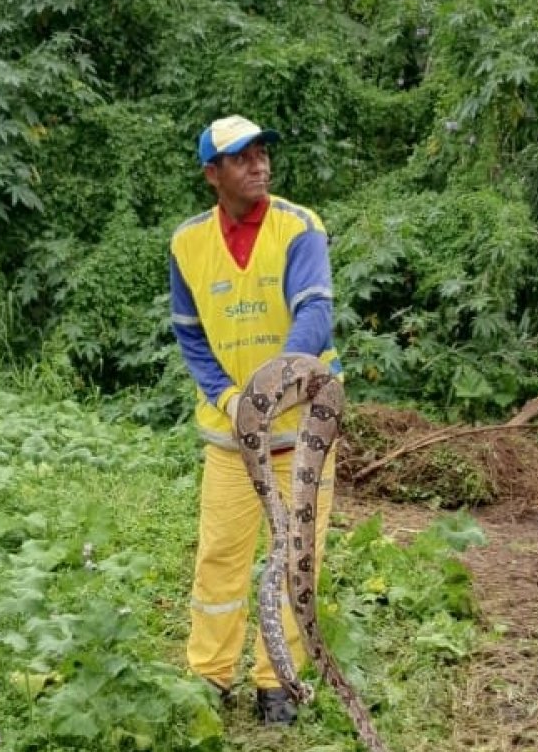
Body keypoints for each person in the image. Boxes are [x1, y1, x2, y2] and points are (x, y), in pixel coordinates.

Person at [168, 115, 343, 723]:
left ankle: (279, 686)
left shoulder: (299, 229)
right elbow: (191, 340)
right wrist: (230, 400)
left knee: (295, 557)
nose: (259, 164)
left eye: (263, 153)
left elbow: (316, 314)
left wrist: (273, 388)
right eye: (241, 158)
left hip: (300, 435)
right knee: (219, 557)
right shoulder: (187, 243)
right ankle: (209, 680)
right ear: (212, 174)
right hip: (229, 441)